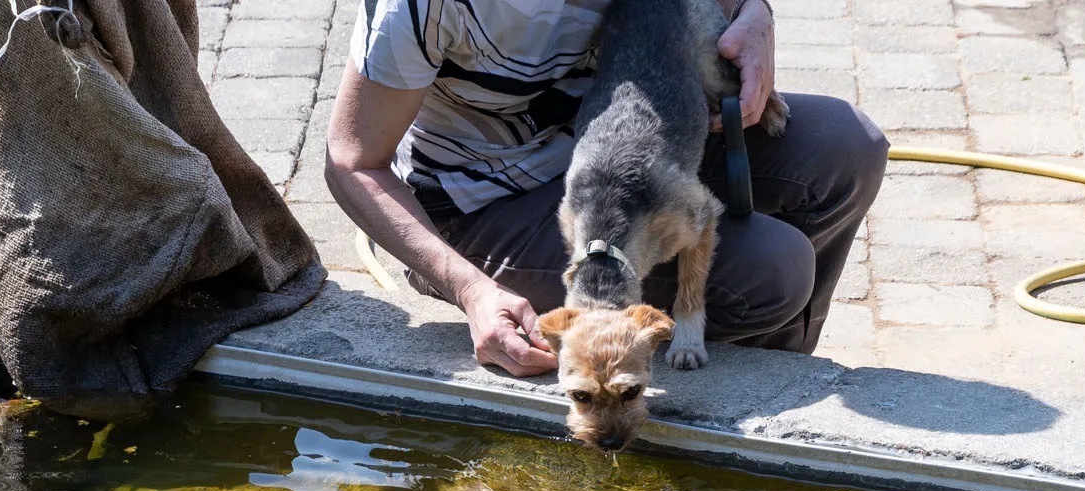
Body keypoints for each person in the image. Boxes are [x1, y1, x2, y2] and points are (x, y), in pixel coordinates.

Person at [326, 0, 890, 377]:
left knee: (846, 148)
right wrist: (472, 291)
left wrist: (754, 14)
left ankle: (769, 386)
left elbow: (726, 4)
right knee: (773, 269)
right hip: (490, 200)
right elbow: (352, 162)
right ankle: (649, 391)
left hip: (634, 143)